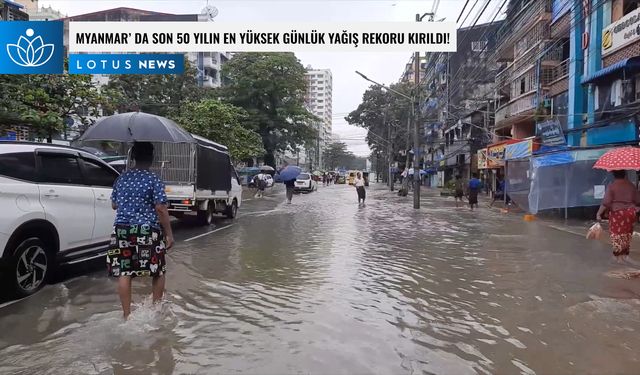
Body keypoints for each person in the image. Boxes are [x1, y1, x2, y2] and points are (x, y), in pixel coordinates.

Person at [109, 142, 174, 320]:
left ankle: (126, 315)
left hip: (122, 229)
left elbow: (114, 205)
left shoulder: (121, 178)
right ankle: (156, 311)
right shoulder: (153, 179)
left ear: (134, 157)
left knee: (125, 271)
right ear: (152, 158)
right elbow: (160, 208)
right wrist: (168, 233)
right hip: (146, 230)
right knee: (158, 270)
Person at [597, 170, 640, 261]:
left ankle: (617, 256)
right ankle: (626, 254)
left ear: (614, 175)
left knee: (616, 234)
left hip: (617, 213)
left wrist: (599, 213)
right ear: (624, 175)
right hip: (630, 213)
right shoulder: (631, 186)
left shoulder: (612, 186)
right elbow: (638, 200)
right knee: (627, 233)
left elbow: (606, 202)